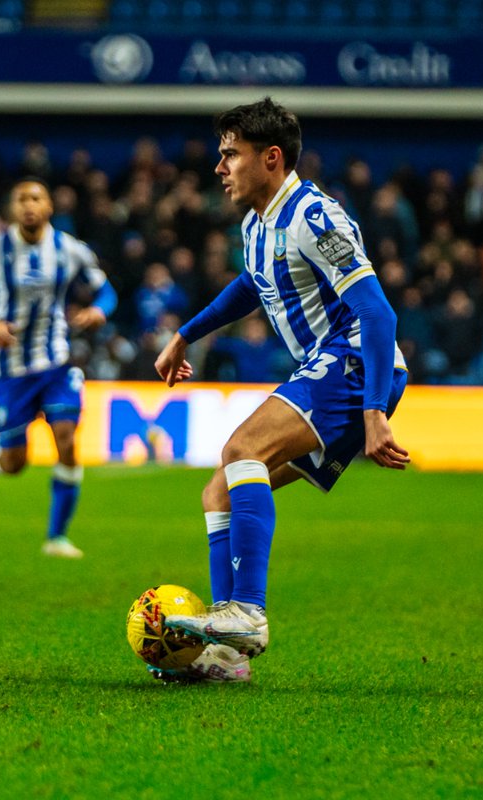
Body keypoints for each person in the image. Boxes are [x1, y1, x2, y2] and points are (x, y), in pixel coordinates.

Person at [152, 98, 410, 683]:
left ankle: (247, 613)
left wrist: (373, 412)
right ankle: (228, 656)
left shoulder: (315, 218)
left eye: (231, 154)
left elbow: (378, 313)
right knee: (219, 492)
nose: (220, 167)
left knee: (242, 449)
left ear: (271, 158)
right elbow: (252, 285)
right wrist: (186, 334)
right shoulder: (256, 223)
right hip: (330, 369)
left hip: (352, 364)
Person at [0, 177, 117, 558]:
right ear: (11, 210)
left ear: (49, 207)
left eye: (36, 198)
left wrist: (99, 310)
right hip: (10, 370)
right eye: (21, 199)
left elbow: (107, 291)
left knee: (66, 439)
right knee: (16, 464)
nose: (29, 205)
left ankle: (57, 537)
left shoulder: (69, 250)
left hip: (56, 362)